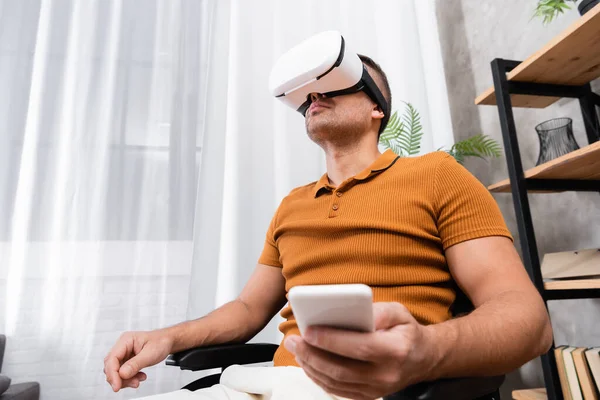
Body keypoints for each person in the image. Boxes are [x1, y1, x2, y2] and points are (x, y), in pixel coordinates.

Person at [103, 54, 553, 400]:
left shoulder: (437, 174)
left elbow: (528, 321)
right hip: (276, 386)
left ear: (378, 108)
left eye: (335, 82)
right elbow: (246, 310)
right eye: (308, 91)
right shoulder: (291, 206)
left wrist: (426, 352)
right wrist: (167, 336)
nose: (313, 94)